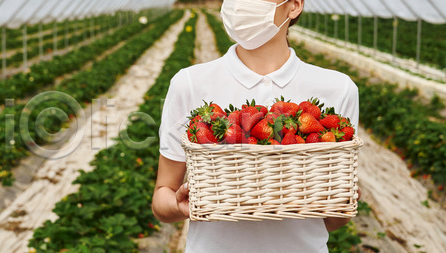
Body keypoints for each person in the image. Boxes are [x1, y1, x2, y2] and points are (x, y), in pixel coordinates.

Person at [152, 0, 360, 252]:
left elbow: (334, 220)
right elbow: (163, 196)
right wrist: (179, 206)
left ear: (294, 6)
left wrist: (343, 201)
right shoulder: (190, 83)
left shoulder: (338, 88)